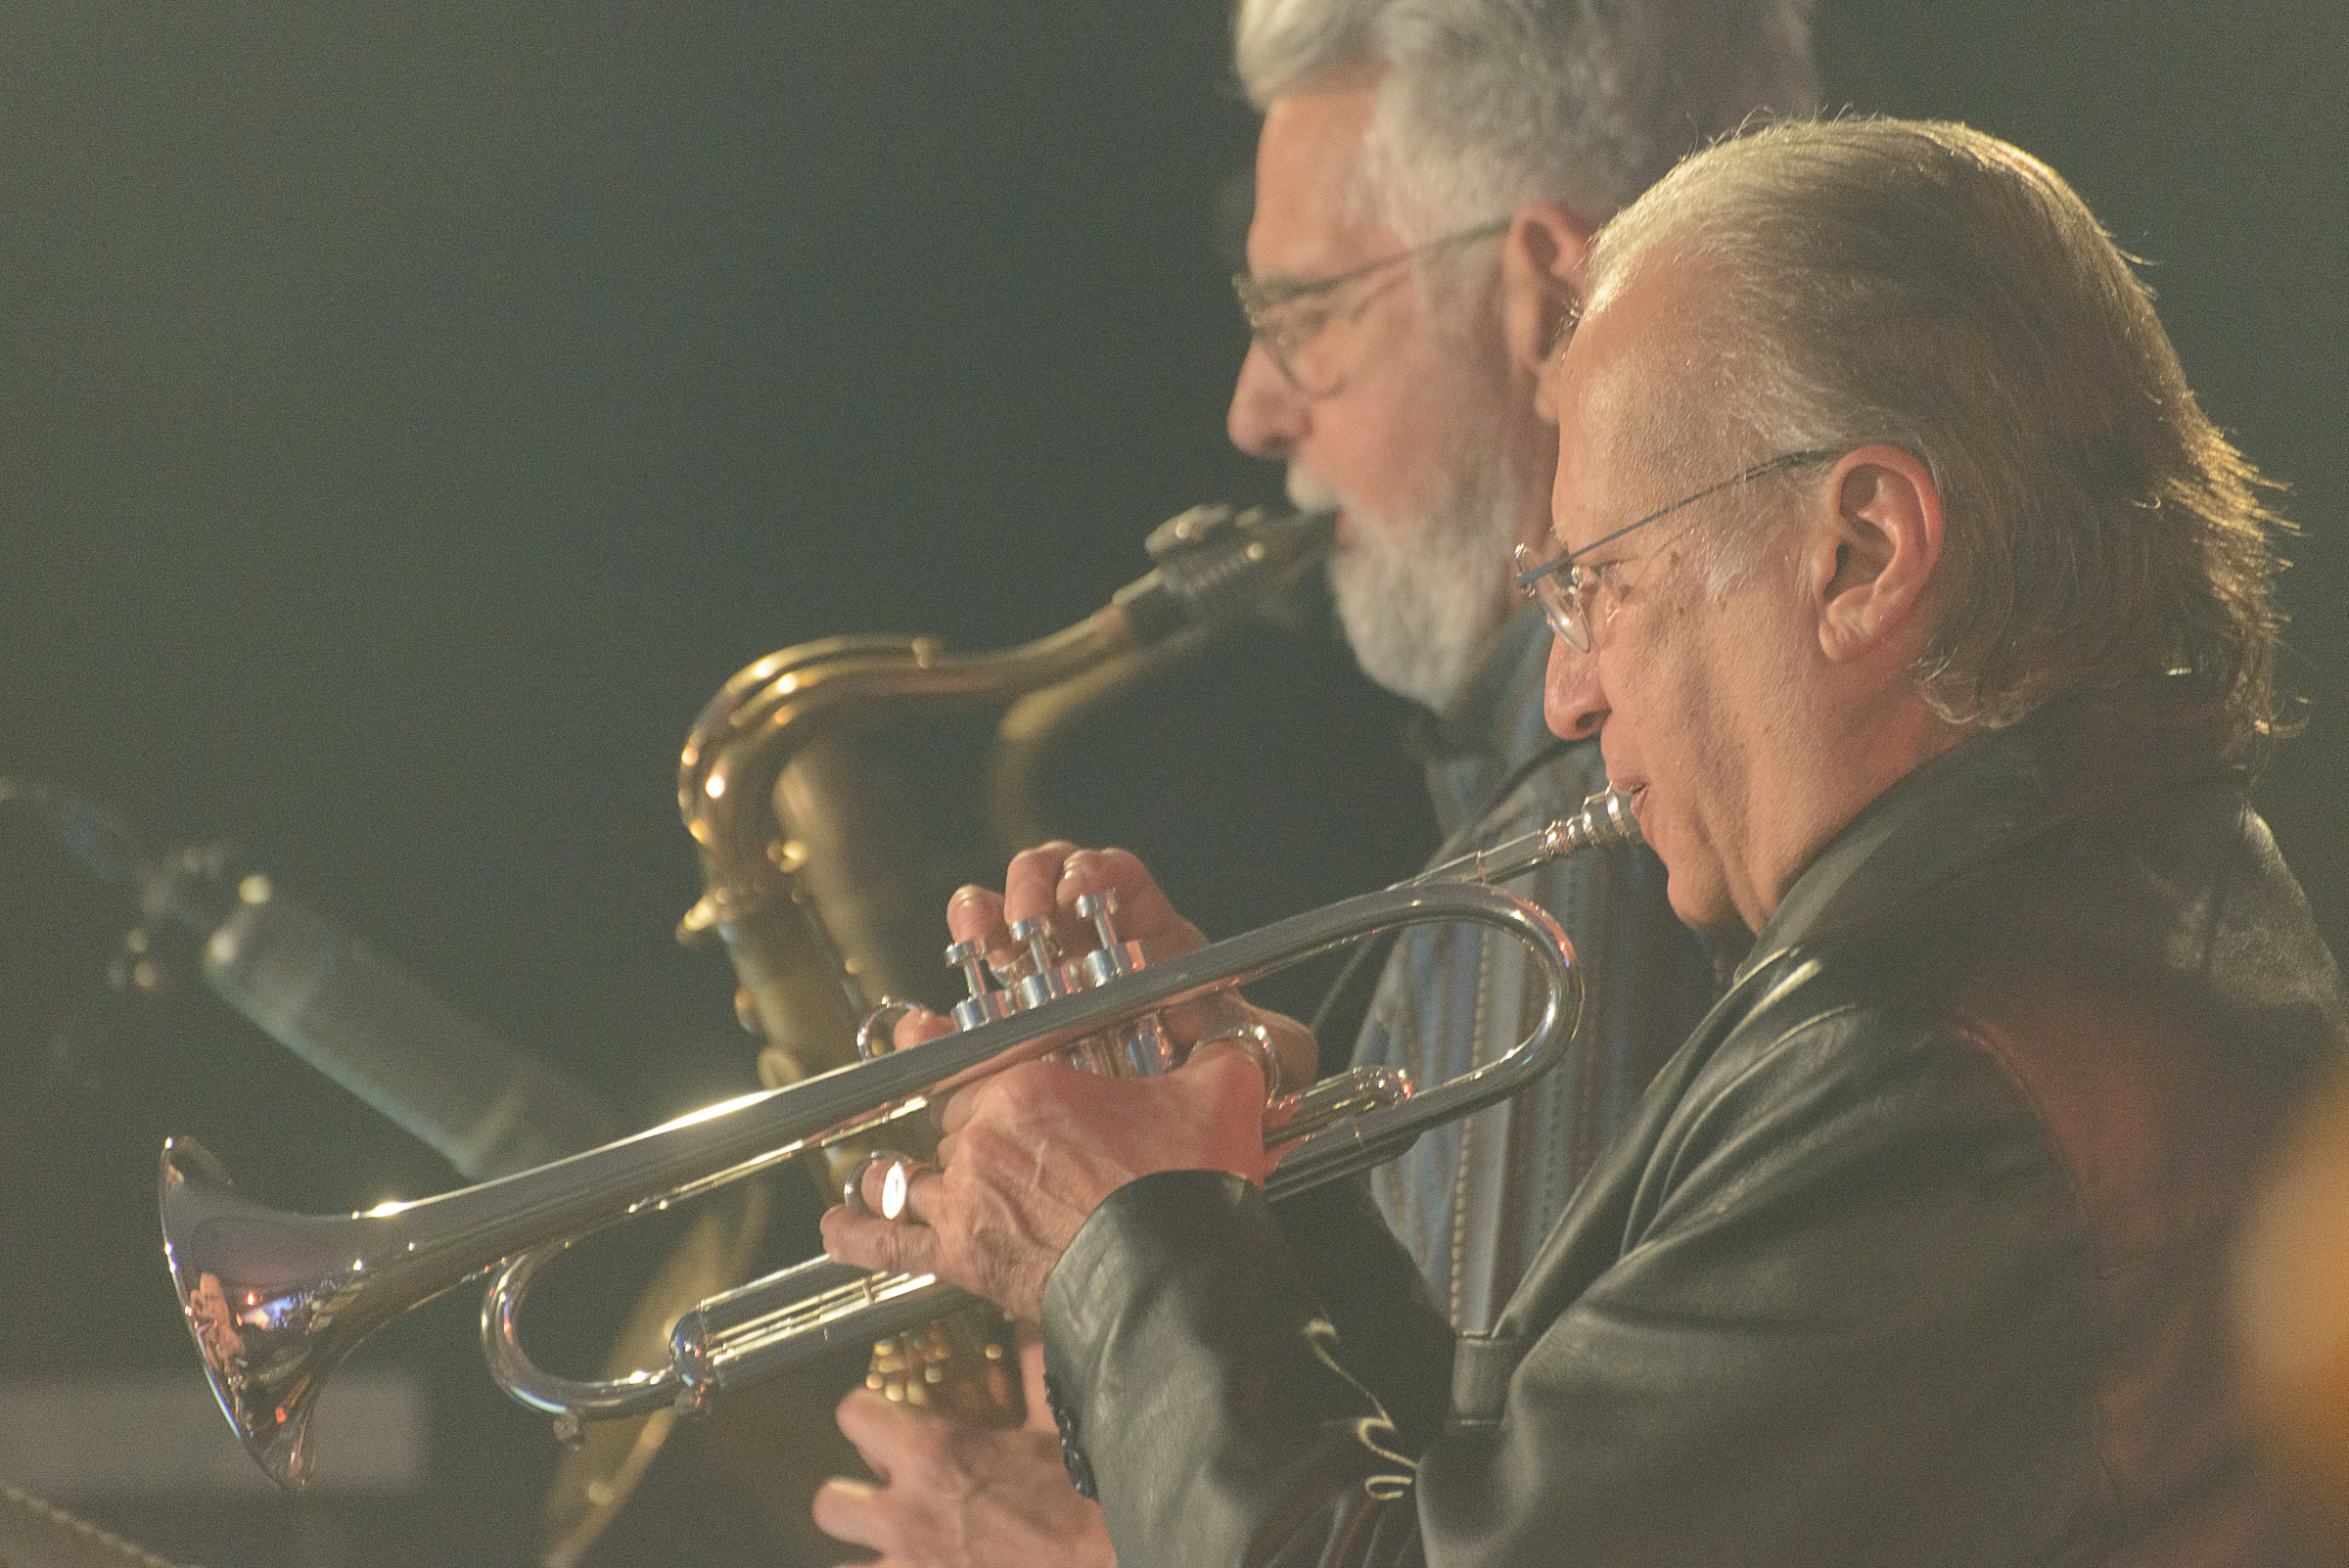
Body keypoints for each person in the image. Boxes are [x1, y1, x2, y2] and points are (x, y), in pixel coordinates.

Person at [824, 116, 2349, 1565]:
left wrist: (1125, 1237)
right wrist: (1254, 1201)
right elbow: (1540, 1504)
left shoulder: (1938, 1068)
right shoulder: (2042, 929)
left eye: (1598, 581)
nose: (1565, 694)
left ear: (1862, 552)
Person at [811, 2, 1814, 1560]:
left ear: (1548, 293)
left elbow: (1491, 1538)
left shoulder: (1592, 859)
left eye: (1308, 311)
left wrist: (1103, 1503)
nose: (1254, 406)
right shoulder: (1582, 828)